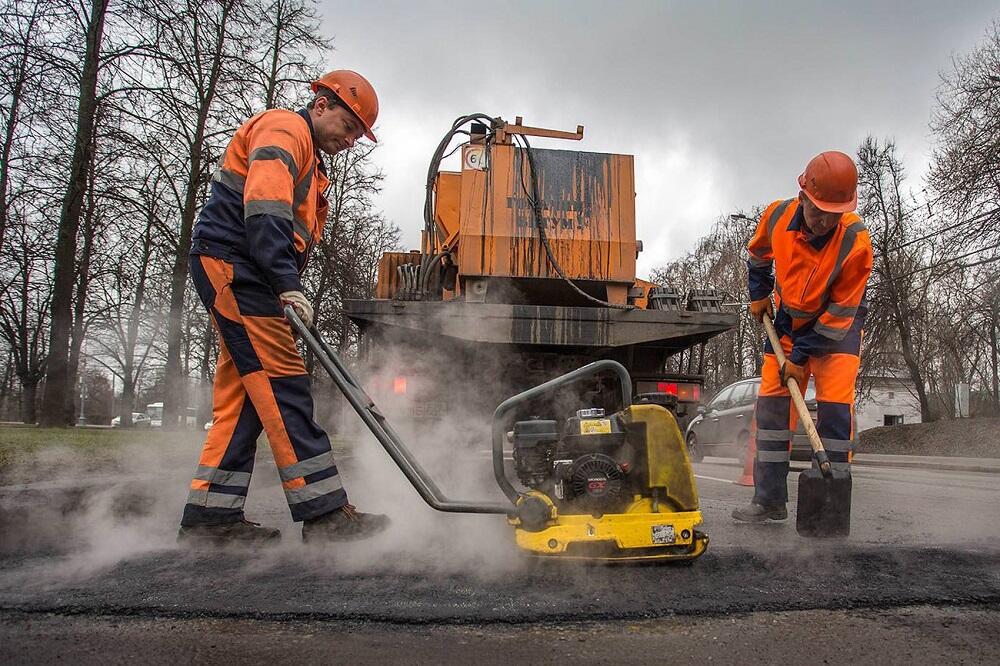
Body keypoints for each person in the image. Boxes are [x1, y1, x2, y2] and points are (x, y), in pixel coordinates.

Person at [178, 70, 389, 543]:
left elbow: (288, 229)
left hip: (247, 273)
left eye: (357, 134)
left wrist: (281, 285)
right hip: (237, 268)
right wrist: (285, 283)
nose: (349, 140)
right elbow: (265, 210)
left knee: (245, 401)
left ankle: (210, 521)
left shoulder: (314, 166)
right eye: (348, 126)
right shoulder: (284, 129)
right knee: (285, 384)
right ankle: (325, 515)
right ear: (321, 105)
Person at [733, 151, 873, 523]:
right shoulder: (777, 215)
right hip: (788, 322)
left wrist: (799, 359)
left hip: (836, 328)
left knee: (834, 410)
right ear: (803, 198)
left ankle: (829, 508)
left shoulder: (856, 242)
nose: (825, 221)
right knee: (773, 408)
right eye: (818, 211)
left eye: (834, 213)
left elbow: (841, 313)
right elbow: (758, 253)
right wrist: (759, 292)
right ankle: (769, 500)